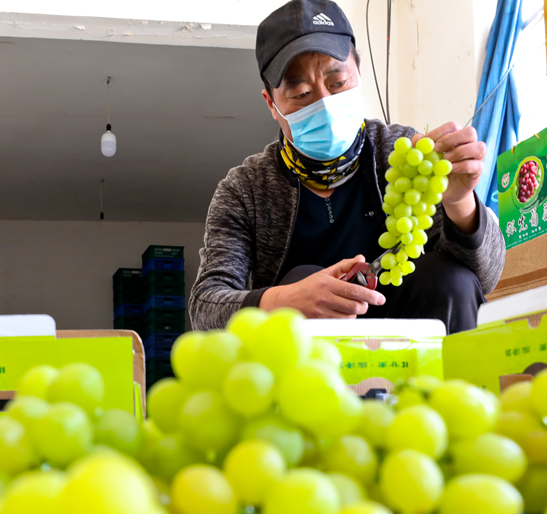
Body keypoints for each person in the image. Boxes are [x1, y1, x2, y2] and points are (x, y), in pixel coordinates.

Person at [189, 0, 505, 333]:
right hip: (309, 356)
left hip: (411, 340)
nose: (324, 104)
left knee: (450, 279)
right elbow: (205, 307)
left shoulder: (403, 153)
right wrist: (285, 299)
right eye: (302, 93)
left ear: (358, 71)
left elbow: (483, 278)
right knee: (301, 278)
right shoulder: (245, 191)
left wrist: (460, 204)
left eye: (338, 83)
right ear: (271, 103)